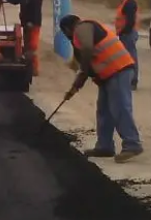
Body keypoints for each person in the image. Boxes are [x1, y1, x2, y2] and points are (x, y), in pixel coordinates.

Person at [60, 14, 143, 163]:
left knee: (120, 107)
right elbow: (85, 69)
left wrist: (84, 69)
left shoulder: (82, 28)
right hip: (108, 75)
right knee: (103, 110)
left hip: (119, 69)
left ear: (67, 29)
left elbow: (87, 49)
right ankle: (105, 146)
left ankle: (132, 144)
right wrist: (74, 88)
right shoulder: (83, 32)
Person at [3, 0, 43, 75]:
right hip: (26, 25)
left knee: (32, 47)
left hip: (33, 25)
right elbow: (14, 0)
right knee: (26, 47)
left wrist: (32, 22)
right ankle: (29, 67)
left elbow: (36, 10)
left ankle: (34, 69)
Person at [114, 0, 140, 90]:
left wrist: (124, 31)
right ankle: (128, 80)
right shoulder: (126, 2)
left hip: (128, 33)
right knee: (126, 57)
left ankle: (133, 80)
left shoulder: (129, 2)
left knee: (130, 57)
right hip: (125, 33)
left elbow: (130, 20)